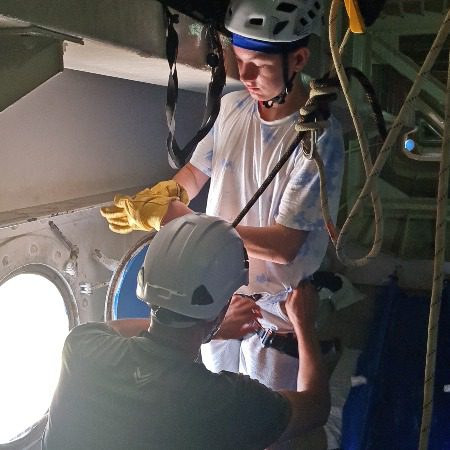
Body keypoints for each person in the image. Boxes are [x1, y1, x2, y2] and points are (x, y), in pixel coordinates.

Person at [101, 0, 344, 398]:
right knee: (214, 400)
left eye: (260, 65)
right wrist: (170, 193)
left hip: (276, 311)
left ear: (298, 59)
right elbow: (196, 172)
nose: (244, 75)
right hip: (218, 299)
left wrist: (184, 224)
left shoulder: (319, 137)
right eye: (239, 58)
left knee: (271, 421)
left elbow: (285, 246)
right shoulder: (231, 107)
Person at [42, 213, 330, 450]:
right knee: (310, 441)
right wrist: (304, 325)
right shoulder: (227, 402)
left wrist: (210, 330)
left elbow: (114, 330)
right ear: (220, 310)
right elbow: (316, 408)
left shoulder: (80, 346)